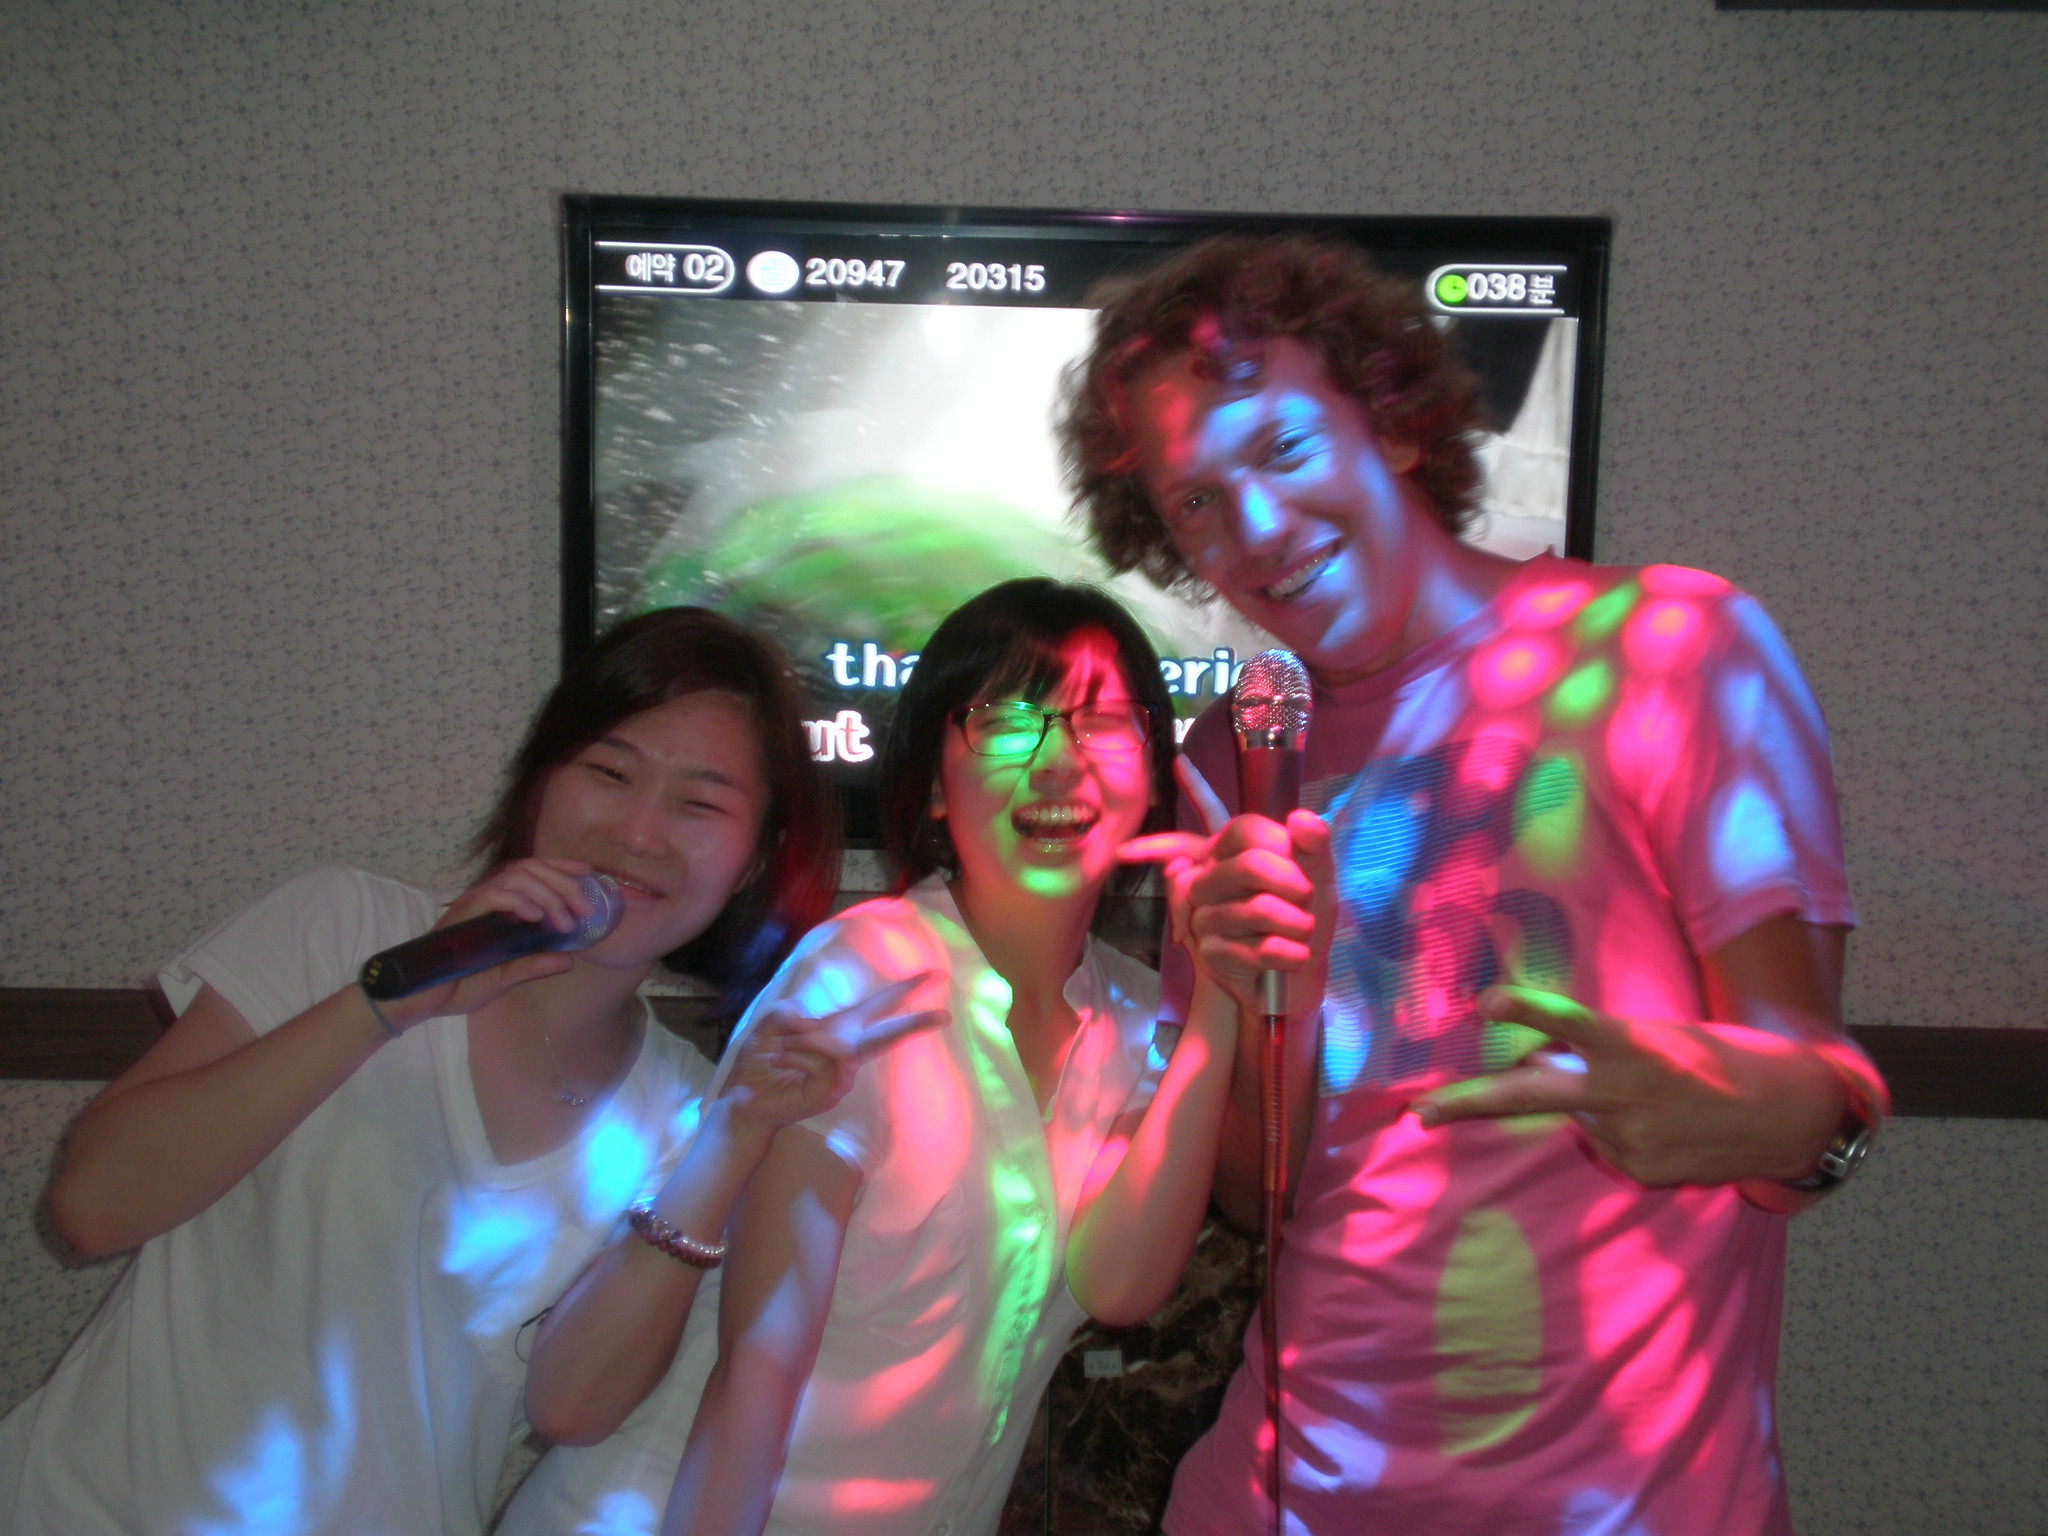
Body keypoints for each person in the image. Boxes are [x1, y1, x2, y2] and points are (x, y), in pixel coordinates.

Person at [1057, 237, 1890, 1534]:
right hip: (1280, 1495)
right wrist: (1259, 1000)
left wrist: (1738, 1111)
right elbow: (1259, 1193)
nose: (1255, 532)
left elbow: (1811, 1092)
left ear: (1392, 421)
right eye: (1196, 502)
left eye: (1283, 448)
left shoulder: (1670, 651)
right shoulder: (1232, 759)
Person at [0, 608, 853, 1536]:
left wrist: (734, 1136)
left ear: (753, 860)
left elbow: (570, 1407)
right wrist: (388, 1002)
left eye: (699, 805)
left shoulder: (683, 1108)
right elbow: (90, 1208)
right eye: (609, 773)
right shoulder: (345, 929)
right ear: (541, 781)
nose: (638, 832)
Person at [501, 578, 1275, 1536]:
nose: (1057, 763)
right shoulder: (861, 976)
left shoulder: (1136, 1013)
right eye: (1007, 723)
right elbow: (756, 1379)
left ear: (1154, 776)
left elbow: (1118, 1282)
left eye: (1102, 724)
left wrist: (1219, 993)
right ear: (936, 789)